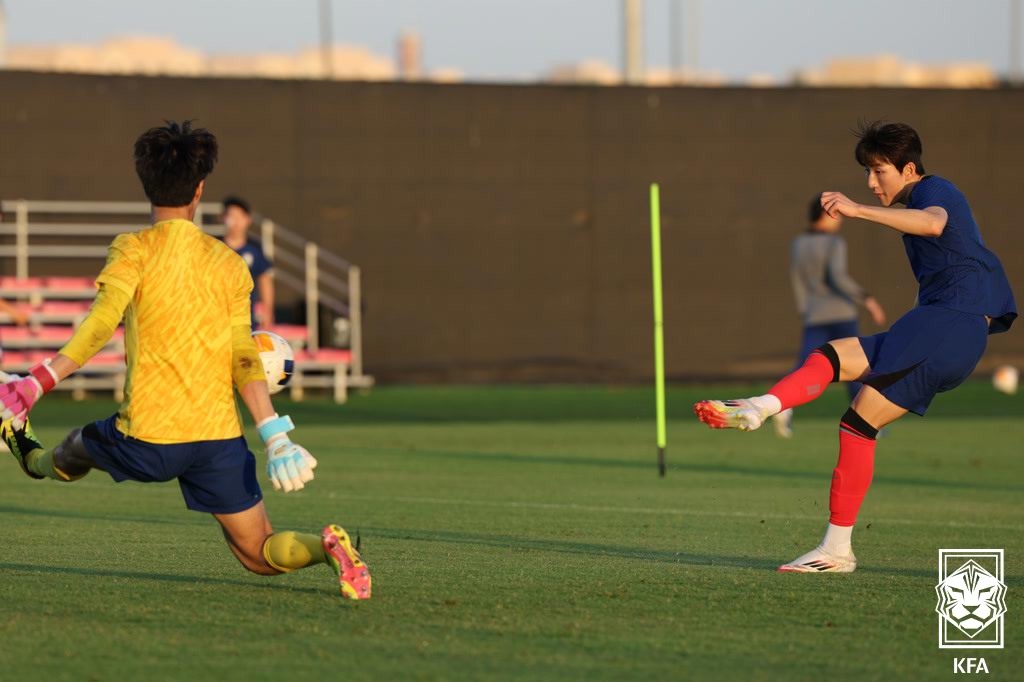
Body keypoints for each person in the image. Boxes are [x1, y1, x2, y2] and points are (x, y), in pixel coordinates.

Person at [0, 121, 370, 599]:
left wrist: (35, 383)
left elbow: (98, 327)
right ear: (200, 190)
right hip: (217, 440)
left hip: (148, 436)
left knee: (77, 447)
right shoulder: (229, 263)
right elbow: (244, 355)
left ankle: (26, 451)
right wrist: (275, 436)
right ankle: (326, 548)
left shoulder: (132, 249)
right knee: (259, 554)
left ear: (147, 187)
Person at [694, 121, 1016, 573]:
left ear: (908, 168)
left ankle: (836, 548)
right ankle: (763, 406)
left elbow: (932, 223)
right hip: (945, 325)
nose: (870, 181)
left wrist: (857, 209)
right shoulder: (921, 197)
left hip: (951, 326)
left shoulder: (934, 191)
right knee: (833, 362)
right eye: (867, 171)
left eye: (879, 171)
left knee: (855, 415)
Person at [773, 196, 887, 438]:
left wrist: (805, 310)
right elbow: (839, 278)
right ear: (824, 215)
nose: (840, 221)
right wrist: (868, 299)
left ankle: (781, 405)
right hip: (840, 314)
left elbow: (797, 281)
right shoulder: (834, 243)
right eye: (836, 215)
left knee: (805, 365)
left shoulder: (798, 243)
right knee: (856, 368)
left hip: (814, 315)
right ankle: (867, 424)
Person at [221, 196, 274, 328]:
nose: (236, 222)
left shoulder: (255, 249)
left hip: (246, 319)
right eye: (231, 216)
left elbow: (265, 281)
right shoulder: (215, 247)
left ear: (248, 220)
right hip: (218, 317)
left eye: (240, 217)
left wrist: (268, 313)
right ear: (222, 218)